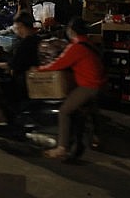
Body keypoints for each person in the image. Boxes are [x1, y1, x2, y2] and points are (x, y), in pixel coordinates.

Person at [40, 17, 105, 160]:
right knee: (83, 111)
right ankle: (94, 137)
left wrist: (39, 70)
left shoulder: (76, 47)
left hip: (89, 86)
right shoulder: (88, 44)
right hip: (99, 85)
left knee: (64, 111)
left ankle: (61, 148)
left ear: (72, 31)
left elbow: (59, 64)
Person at [0, 12, 41, 126]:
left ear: (22, 26)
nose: (16, 30)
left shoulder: (25, 44)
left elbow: (12, 65)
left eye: (17, 27)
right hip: (27, 79)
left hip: (20, 84)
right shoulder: (36, 39)